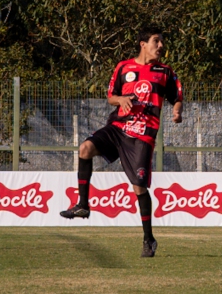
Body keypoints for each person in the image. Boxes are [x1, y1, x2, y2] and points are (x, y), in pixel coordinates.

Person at [60, 26, 183, 258]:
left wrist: (177, 112)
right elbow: (110, 97)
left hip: (142, 135)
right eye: (156, 41)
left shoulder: (165, 72)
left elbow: (176, 97)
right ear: (143, 44)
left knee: (139, 187)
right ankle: (83, 205)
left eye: (162, 42)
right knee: (85, 148)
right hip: (117, 127)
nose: (161, 46)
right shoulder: (123, 67)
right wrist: (122, 99)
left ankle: (149, 239)